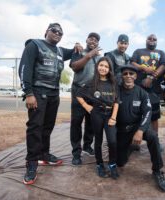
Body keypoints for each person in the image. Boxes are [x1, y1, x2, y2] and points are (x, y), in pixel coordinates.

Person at [19, 23, 74, 185]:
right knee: (35, 127)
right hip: (37, 93)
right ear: (46, 32)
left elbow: (73, 52)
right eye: (54, 31)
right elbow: (25, 68)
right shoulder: (34, 45)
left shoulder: (60, 51)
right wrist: (28, 93)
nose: (57, 33)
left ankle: (44, 154)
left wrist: (78, 46)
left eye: (60, 33)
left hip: (53, 95)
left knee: (48, 126)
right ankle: (31, 162)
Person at [116, 64, 165, 192]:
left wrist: (140, 131)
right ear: (122, 76)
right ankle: (130, 146)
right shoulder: (116, 91)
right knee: (120, 163)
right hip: (122, 130)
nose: (128, 76)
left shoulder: (142, 93)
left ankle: (157, 170)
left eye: (131, 73)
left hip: (137, 127)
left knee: (152, 136)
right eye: (125, 73)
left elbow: (147, 113)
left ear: (135, 76)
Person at [76, 57, 119, 179]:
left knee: (112, 141)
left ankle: (112, 164)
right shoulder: (91, 82)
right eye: (101, 65)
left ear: (109, 69)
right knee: (98, 141)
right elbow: (78, 94)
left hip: (110, 115)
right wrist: (86, 106)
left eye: (106, 66)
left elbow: (116, 101)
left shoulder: (113, 83)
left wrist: (114, 118)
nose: (103, 68)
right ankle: (100, 164)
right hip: (97, 115)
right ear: (97, 66)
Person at [69, 32, 102, 165]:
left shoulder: (100, 58)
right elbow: (75, 67)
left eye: (96, 39)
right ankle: (76, 153)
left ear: (98, 43)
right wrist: (89, 55)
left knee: (92, 121)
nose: (93, 40)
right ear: (86, 40)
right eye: (91, 38)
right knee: (76, 122)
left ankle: (87, 146)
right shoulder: (79, 51)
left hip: (93, 93)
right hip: (79, 90)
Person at [131, 34, 165, 134]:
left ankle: (154, 141)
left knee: (154, 117)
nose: (152, 40)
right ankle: (135, 141)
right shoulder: (138, 51)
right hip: (138, 89)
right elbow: (132, 63)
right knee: (136, 115)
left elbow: (164, 65)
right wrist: (143, 68)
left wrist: (151, 77)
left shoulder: (161, 52)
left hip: (154, 90)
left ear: (157, 41)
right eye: (149, 38)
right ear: (146, 40)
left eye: (154, 39)